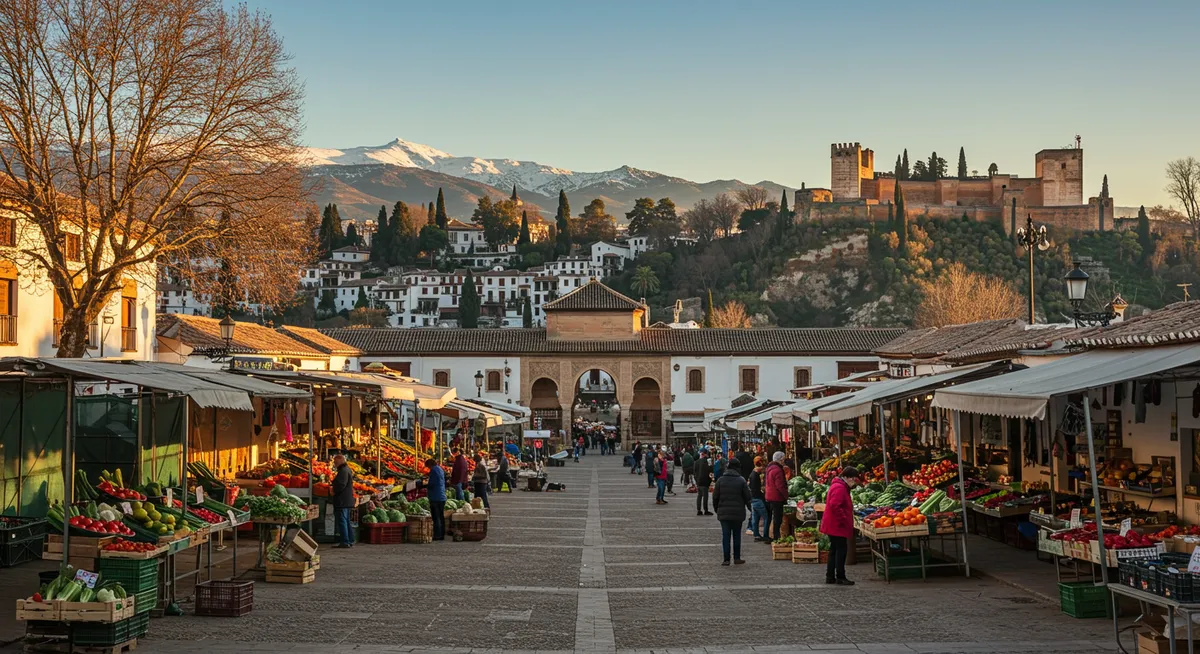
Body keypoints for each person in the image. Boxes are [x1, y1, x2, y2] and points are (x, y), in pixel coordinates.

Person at [821, 466, 859, 585]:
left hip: (833, 524)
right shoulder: (840, 488)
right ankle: (840, 576)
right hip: (837, 525)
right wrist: (843, 519)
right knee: (841, 550)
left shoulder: (838, 486)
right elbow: (835, 505)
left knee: (834, 550)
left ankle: (830, 576)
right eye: (853, 479)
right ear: (847, 477)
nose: (854, 482)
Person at [712, 458, 751, 566]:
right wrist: (750, 509)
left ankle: (726, 559)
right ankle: (737, 558)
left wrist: (717, 509)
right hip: (738, 513)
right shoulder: (741, 480)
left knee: (726, 535)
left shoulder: (720, 480)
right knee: (737, 535)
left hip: (723, 513)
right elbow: (747, 497)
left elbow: (715, 497)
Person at [417, 457, 447, 541]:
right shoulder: (440, 469)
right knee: (441, 516)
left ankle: (437, 535)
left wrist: (423, 484)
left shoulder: (433, 470)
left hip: (435, 496)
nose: (428, 468)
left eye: (428, 467)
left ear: (430, 465)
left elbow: (432, 484)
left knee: (436, 517)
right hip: (442, 496)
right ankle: (442, 534)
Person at [331, 454, 355, 548]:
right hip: (346, 499)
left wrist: (333, 490)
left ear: (340, 461)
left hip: (342, 500)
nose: (335, 464)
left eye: (336, 462)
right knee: (346, 520)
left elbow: (341, 485)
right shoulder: (346, 469)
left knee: (342, 521)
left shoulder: (343, 471)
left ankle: (345, 541)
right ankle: (350, 539)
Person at [764, 451, 788, 543]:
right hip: (776, 497)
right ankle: (775, 537)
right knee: (777, 518)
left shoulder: (770, 468)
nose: (784, 461)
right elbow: (780, 486)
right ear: (780, 459)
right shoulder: (778, 470)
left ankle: (771, 536)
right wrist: (786, 496)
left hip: (769, 496)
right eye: (783, 459)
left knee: (773, 517)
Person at [747, 456, 769, 541]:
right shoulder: (755, 475)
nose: (762, 469)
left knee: (755, 517)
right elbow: (756, 489)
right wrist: (762, 493)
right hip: (757, 499)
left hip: (753, 499)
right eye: (762, 467)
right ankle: (766, 535)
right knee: (766, 517)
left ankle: (756, 534)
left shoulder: (752, 474)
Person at [694, 450, 713, 516]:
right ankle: (706, 510)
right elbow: (711, 470)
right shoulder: (708, 462)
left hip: (699, 481)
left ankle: (699, 510)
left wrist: (696, 480)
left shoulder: (696, 462)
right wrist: (710, 481)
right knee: (705, 496)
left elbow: (695, 472)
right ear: (706, 454)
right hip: (705, 481)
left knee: (699, 496)